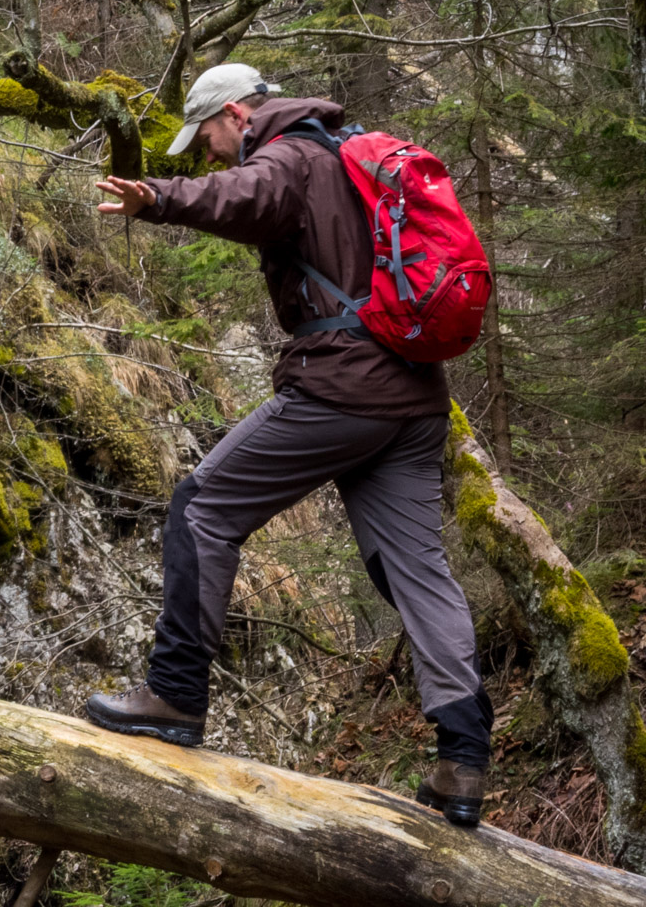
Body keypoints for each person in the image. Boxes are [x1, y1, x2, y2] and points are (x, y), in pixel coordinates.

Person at [84, 62, 494, 828]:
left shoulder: (289, 156)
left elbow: (247, 196)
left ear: (237, 114)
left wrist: (161, 200)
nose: (207, 154)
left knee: (203, 507)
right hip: (414, 401)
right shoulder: (348, 151)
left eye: (206, 137)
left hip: (343, 390)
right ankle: (462, 760)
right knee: (417, 572)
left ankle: (173, 694)